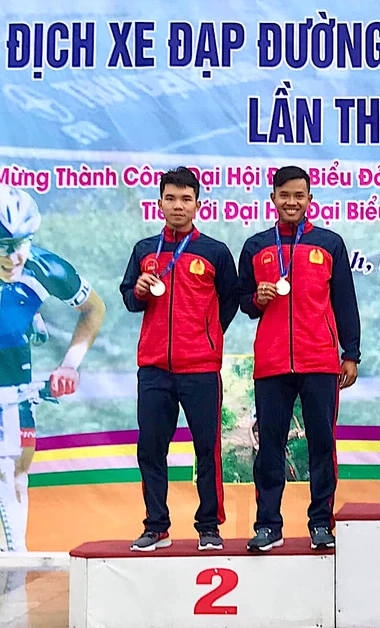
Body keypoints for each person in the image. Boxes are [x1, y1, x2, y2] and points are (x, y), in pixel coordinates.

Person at [238, 166, 360, 552]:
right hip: (272, 362)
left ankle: (321, 523)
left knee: (321, 444)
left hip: (320, 360)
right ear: (272, 198)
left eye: (299, 195)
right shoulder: (256, 246)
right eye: (284, 195)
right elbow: (244, 302)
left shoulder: (329, 243)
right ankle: (268, 525)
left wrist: (351, 353)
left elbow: (344, 301)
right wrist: (256, 299)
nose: (291, 202)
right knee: (270, 446)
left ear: (310, 199)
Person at [120, 167, 238, 552]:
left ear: (198, 205)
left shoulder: (215, 252)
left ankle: (209, 526)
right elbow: (130, 299)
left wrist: (207, 335)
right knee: (151, 449)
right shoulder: (144, 250)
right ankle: (156, 526)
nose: (178, 206)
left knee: (207, 450)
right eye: (170, 198)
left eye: (186, 199)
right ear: (159, 204)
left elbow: (230, 301)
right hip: (154, 368)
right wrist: (139, 291)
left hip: (200, 369)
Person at [0, 185, 106, 553]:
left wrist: (70, 365)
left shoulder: (43, 267)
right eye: (4, 246)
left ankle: (13, 576)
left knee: (15, 477)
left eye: (22, 242)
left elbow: (94, 309)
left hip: (15, 390)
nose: (15, 256)